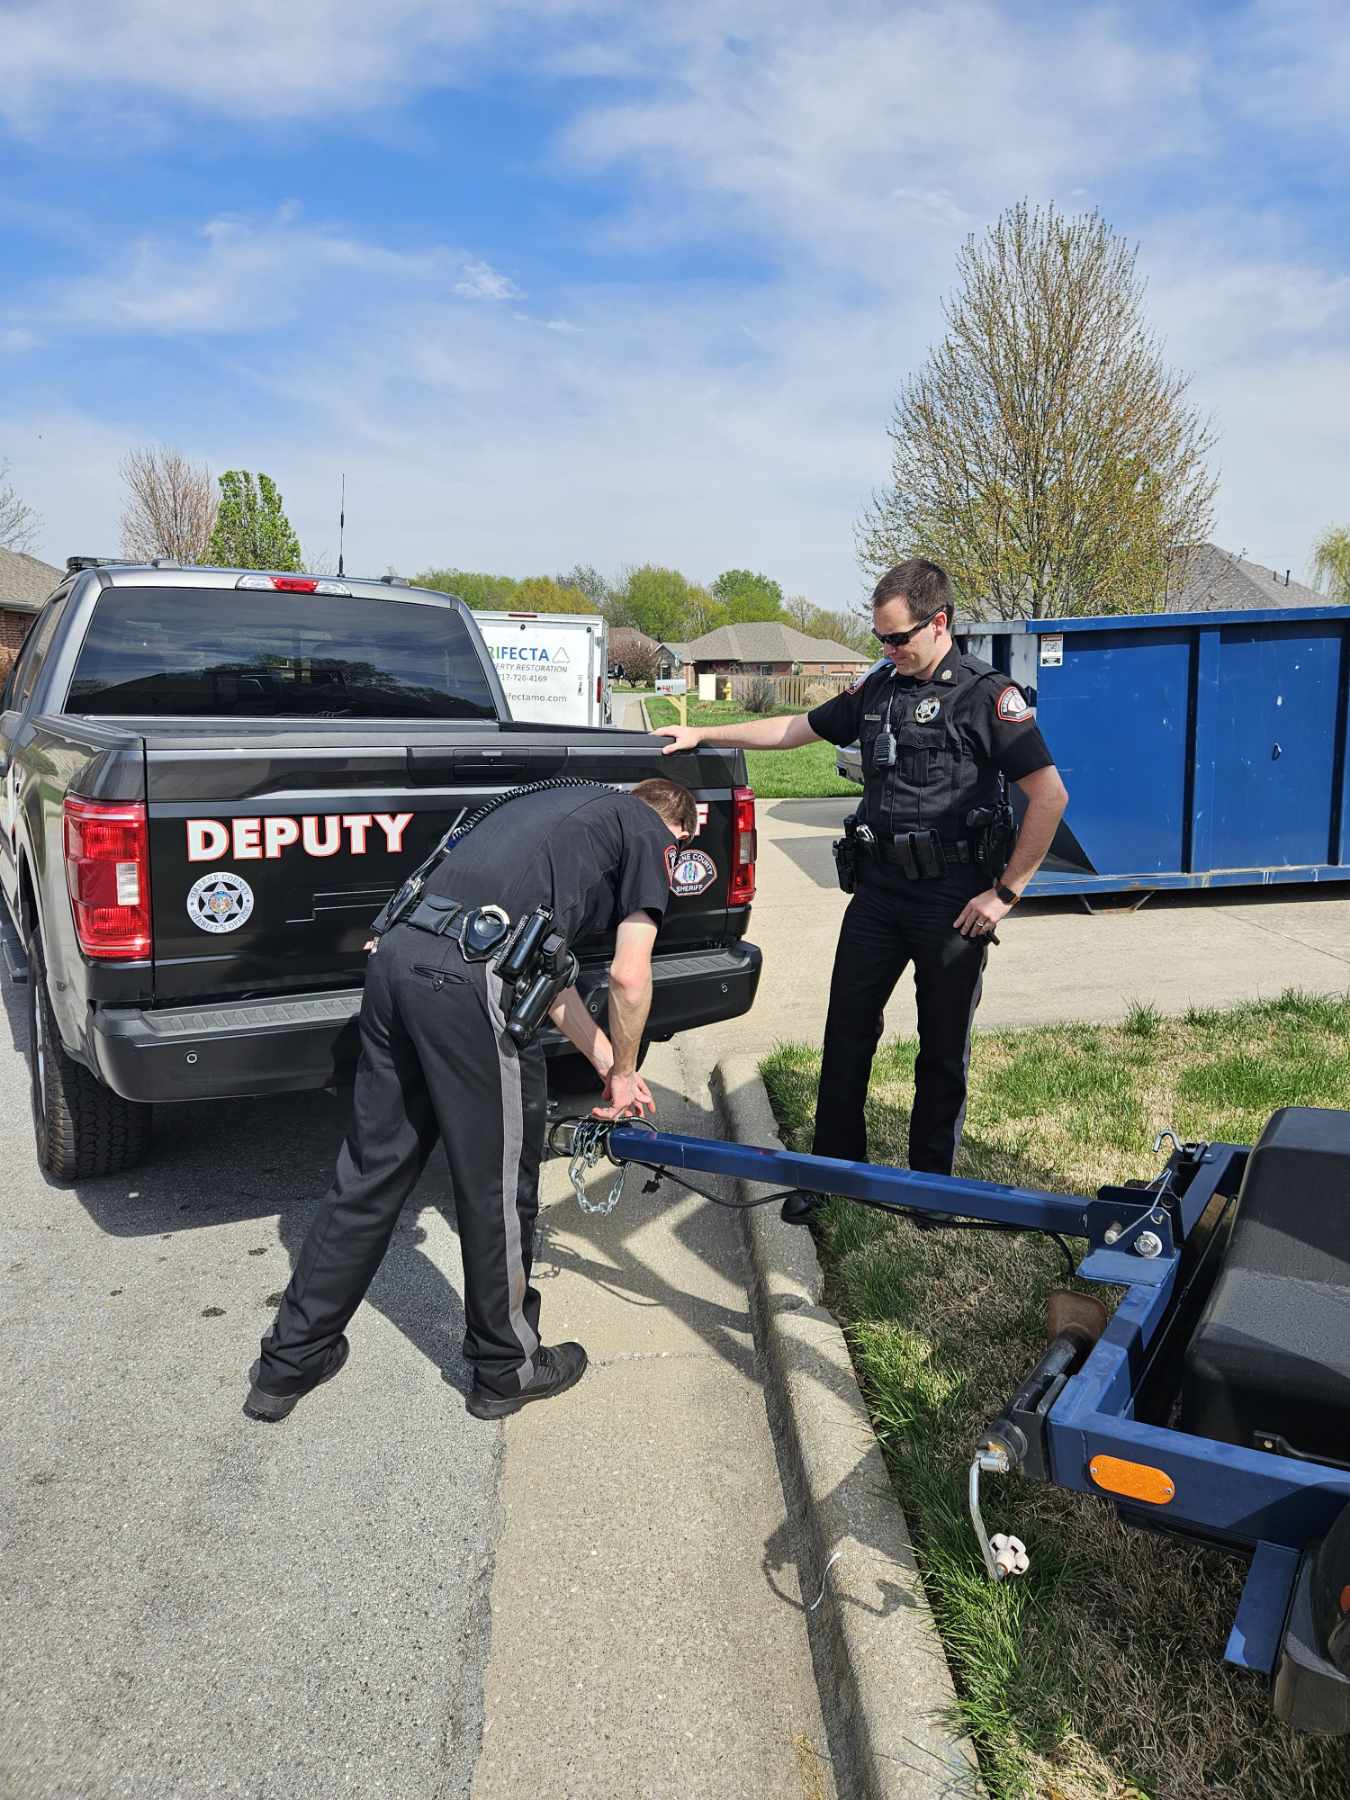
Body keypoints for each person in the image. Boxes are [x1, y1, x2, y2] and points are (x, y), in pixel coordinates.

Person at [244, 777, 698, 1423]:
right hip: (470, 982)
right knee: (496, 1188)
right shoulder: (651, 832)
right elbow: (629, 976)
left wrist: (604, 1061)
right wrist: (627, 1070)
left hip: (399, 958)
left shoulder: (553, 812)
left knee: (371, 1172)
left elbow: (542, 968)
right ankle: (506, 1368)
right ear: (680, 828)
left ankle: (288, 1363)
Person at [656, 560, 1067, 1222]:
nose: (888, 649)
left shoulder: (987, 697)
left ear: (939, 623)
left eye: (898, 637)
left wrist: (1005, 893)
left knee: (942, 1048)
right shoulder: (879, 688)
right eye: (880, 638)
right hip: (877, 894)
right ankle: (831, 1173)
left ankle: (930, 1189)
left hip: (952, 901)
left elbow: (1048, 795)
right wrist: (703, 733)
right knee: (846, 1033)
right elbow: (795, 729)